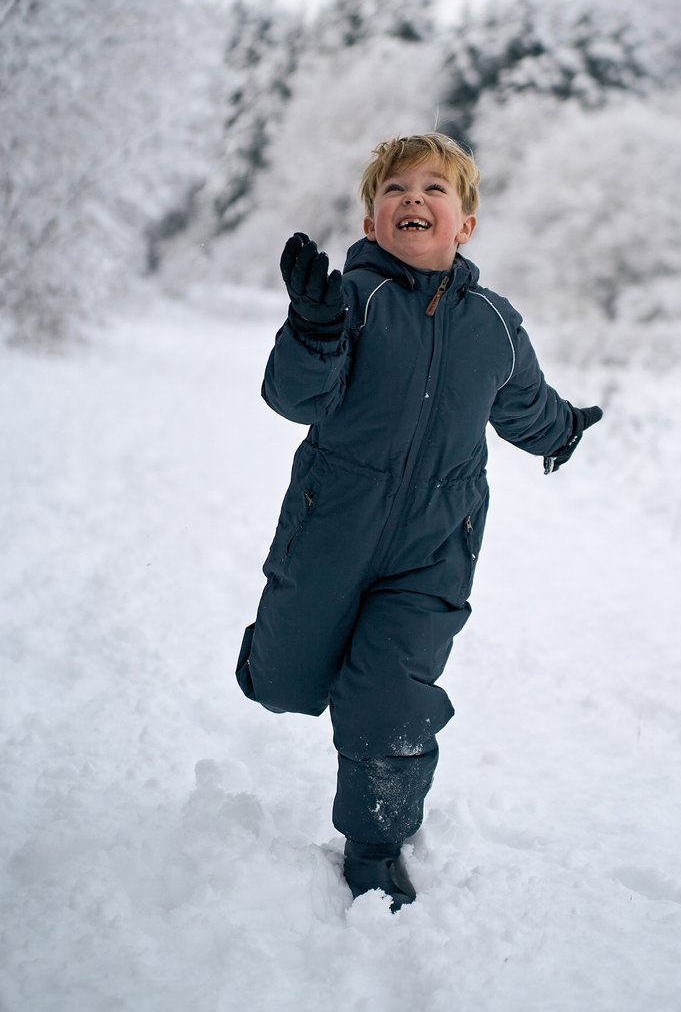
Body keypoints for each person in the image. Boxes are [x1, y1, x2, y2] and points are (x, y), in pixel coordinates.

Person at [236, 133, 603, 911]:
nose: (413, 198)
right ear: (371, 223)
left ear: (464, 222)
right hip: (333, 520)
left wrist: (563, 428)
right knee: (284, 681)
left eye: (435, 189)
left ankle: (375, 846)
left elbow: (522, 402)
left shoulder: (494, 323)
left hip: (437, 539)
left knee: (392, 694)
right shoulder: (350, 303)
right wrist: (312, 327)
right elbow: (296, 398)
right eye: (395, 188)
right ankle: (288, 659)